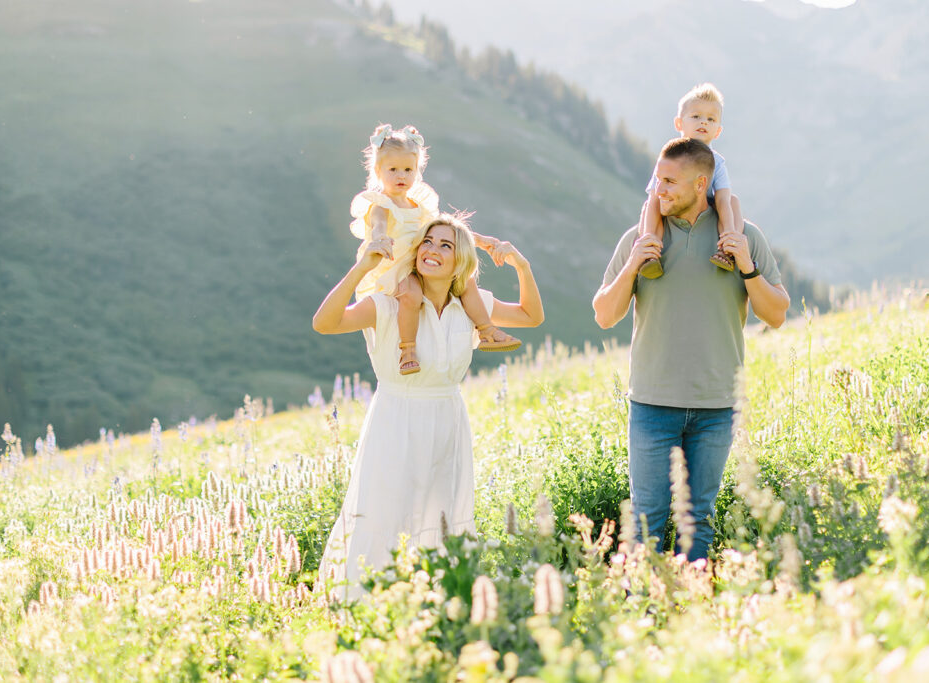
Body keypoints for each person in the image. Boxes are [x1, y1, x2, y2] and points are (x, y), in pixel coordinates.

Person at [313, 213, 544, 599]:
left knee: (441, 517)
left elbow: (531, 316)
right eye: (427, 242)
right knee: (384, 514)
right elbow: (325, 323)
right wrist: (362, 267)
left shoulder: (473, 308)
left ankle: (436, 603)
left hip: (447, 424)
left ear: (461, 262)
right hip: (394, 422)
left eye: (445, 245)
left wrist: (522, 264)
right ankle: (365, 604)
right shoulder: (387, 307)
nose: (432, 250)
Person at [593, 137, 789, 561]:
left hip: (716, 406)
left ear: (702, 184)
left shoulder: (741, 236)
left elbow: (776, 314)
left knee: (698, 519)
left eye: (668, 182)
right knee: (646, 519)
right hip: (651, 404)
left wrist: (748, 267)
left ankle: (693, 612)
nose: (657, 190)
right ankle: (639, 615)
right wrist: (631, 266)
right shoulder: (641, 238)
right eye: (657, 179)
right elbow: (604, 314)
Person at [350, 124, 521, 376]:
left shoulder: (417, 205)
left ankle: (486, 330)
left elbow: (444, 230)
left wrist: (481, 240)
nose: (401, 176)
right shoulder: (381, 206)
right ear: (378, 171)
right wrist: (380, 240)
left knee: (466, 281)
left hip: (422, 262)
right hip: (396, 269)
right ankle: (407, 349)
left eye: (408, 170)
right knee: (411, 295)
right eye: (393, 169)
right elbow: (378, 227)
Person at [638, 83, 744, 278]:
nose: (703, 122)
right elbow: (656, 193)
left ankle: (727, 248)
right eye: (696, 116)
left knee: (733, 201)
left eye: (710, 119)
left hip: (706, 207)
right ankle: (650, 251)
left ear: (718, 131)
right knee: (651, 204)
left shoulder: (717, 162)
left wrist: (728, 228)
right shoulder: (669, 158)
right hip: (674, 204)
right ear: (679, 124)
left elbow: (722, 199)